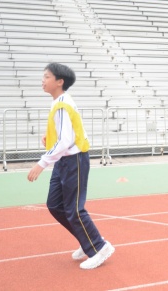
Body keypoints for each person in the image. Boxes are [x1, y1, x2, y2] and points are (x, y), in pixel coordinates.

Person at [27, 63, 115, 270]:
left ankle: (99, 247)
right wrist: (50, 137)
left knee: (74, 209)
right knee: (55, 205)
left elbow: (66, 140)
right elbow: (66, 133)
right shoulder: (59, 102)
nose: (43, 80)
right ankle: (88, 241)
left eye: (47, 76)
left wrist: (42, 163)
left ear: (59, 82)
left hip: (74, 160)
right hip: (63, 160)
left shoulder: (63, 104)